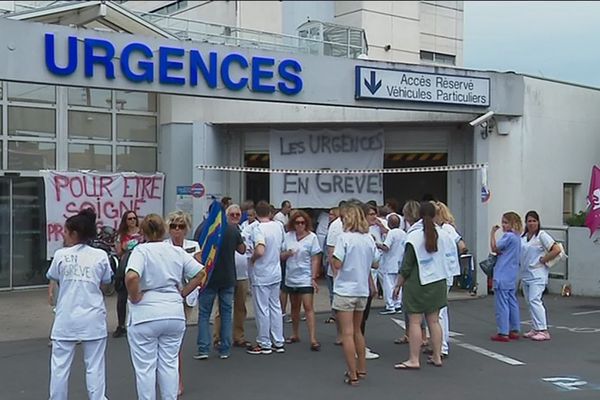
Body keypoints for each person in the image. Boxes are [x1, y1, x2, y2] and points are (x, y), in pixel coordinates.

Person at [125, 214, 205, 400]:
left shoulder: (141, 251)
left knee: (145, 367)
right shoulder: (176, 251)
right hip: (173, 311)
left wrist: (135, 296)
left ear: (143, 231)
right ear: (165, 230)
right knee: (169, 363)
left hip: (146, 312)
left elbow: (131, 276)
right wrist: (183, 292)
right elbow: (200, 272)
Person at [47, 208, 113, 400]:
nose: (64, 236)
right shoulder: (100, 255)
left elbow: (54, 276)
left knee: (59, 365)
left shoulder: (61, 255)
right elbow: (106, 280)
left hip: (66, 317)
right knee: (95, 365)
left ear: (74, 234)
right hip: (92, 316)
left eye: (66, 232)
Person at [392, 202, 454, 370]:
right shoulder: (444, 234)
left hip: (417, 283)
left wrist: (398, 285)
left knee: (414, 322)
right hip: (438, 281)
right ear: (435, 214)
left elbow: (406, 265)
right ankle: (437, 355)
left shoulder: (413, 236)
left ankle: (414, 359)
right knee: (434, 321)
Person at [331, 204, 379, 386]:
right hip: (361, 290)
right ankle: (361, 367)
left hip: (345, 289)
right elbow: (376, 264)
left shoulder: (344, 238)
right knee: (358, 330)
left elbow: (337, 263)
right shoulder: (368, 239)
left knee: (347, 333)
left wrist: (335, 257)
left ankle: (352, 373)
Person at [195, 204, 246, 360]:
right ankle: (225, 348)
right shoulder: (231, 229)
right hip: (228, 276)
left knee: (204, 314)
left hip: (208, 277)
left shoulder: (202, 228)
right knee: (226, 313)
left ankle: (203, 349)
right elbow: (242, 250)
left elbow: (197, 252)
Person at [164, 210, 200, 396]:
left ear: (186, 229)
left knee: (175, 342)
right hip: (167, 297)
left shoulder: (193, 245)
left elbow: (198, 272)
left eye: (181, 226)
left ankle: (175, 379)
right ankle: (173, 380)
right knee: (172, 343)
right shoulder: (163, 246)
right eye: (173, 226)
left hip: (186, 296)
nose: (177, 230)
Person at [246, 200, 286, 355]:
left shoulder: (257, 228)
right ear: (270, 213)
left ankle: (264, 342)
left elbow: (260, 250)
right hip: (275, 271)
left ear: (256, 214)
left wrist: (253, 259)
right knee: (275, 307)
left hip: (261, 273)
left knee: (262, 309)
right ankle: (278, 340)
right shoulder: (278, 226)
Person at [281, 210, 322, 351]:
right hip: (291, 276)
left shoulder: (312, 238)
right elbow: (280, 255)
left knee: (308, 306)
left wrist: (313, 277)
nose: (300, 225)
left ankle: (312, 338)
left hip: (305, 276)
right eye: (297, 223)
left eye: (302, 223)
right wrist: (287, 254)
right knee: (294, 306)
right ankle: (295, 333)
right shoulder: (288, 236)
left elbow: (315, 258)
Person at [213, 205, 252, 348]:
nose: (235, 217)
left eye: (238, 214)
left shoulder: (246, 230)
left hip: (242, 274)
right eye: (232, 214)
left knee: (241, 307)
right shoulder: (221, 231)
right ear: (226, 215)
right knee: (222, 307)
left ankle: (238, 336)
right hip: (226, 273)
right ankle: (218, 337)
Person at [520, 210, 561, 341]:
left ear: (538, 222)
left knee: (535, 300)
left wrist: (544, 259)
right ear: (525, 223)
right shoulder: (524, 237)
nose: (532, 223)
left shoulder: (542, 235)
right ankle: (535, 327)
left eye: (534, 221)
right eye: (529, 221)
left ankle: (543, 330)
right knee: (529, 302)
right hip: (526, 273)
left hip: (538, 273)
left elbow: (556, 249)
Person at [433, 201, 464, 358]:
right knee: (439, 311)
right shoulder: (447, 229)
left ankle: (442, 346)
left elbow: (462, 246)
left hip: (443, 273)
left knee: (439, 312)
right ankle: (439, 343)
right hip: (446, 271)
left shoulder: (445, 229)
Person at [489, 211, 522, 342]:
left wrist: (492, 233)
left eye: (506, 222)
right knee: (511, 301)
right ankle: (515, 328)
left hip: (502, 273)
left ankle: (503, 331)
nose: (503, 225)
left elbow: (494, 248)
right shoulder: (517, 237)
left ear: (512, 223)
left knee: (501, 303)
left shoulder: (508, 236)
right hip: (512, 273)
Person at [113, 210, 143, 338]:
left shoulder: (142, 233)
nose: (132, 221)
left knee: (138, 296)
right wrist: (125, 246)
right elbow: (118, 252)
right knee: (122, 298)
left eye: (134, 218)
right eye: (129, 219)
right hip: (125, 266)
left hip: (139, 267)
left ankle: (138, 323)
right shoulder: (121, 235)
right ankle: (121, 325)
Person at [377, 214, 406, 315]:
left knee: (388, 285)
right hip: (400, 262)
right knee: (398, 285)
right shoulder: (403, 233)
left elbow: (386, 247)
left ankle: (390, 306)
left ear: (389, 223)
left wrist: (377, 244)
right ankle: (397, 304)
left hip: (389, 263)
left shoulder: (391, 233)